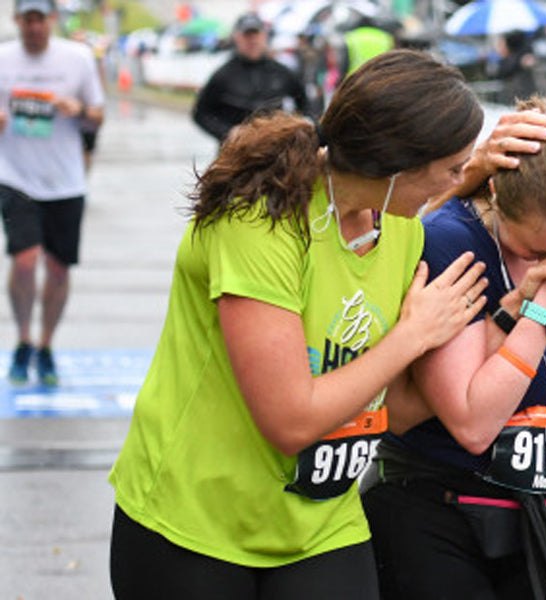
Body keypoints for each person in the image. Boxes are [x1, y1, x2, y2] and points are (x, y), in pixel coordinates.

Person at [108, 49, 488, 599]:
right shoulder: (260, 222)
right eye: (454, 167)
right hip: (194, 523)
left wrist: (525, 316)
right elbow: (289, 420)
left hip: (321, 526)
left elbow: (393, 410)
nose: (460, 181)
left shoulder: (401, 231)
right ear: (399, 160)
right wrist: (412, 337)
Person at [361, 97, 546, 600]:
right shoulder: (451, 241)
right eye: (534, 251)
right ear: (497, 195)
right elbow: (474, 425)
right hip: (440, 506)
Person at [0, 0, 105, 386]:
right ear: (17, 21)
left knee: (58, 268)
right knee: (25, 261)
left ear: (51, 21)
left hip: (65, 180)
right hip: (15, 176)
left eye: (40, 20)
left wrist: (77, 109)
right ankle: (23, 339)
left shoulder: (76, 59)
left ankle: (46, 345)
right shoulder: (3, 58)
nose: (34, 28)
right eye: (27, 20)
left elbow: (98, 114)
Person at [192, 12, 309, 144]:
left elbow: (305, 104)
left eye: (256, 34)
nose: (252, 40)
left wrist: (295, 129)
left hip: (275, 150)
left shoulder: (282, 72)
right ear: (237, 37)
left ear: (264, 36)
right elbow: (200, 114)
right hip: (235, 152)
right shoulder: (223, 75)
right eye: (247, 35)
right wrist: (226, 132)